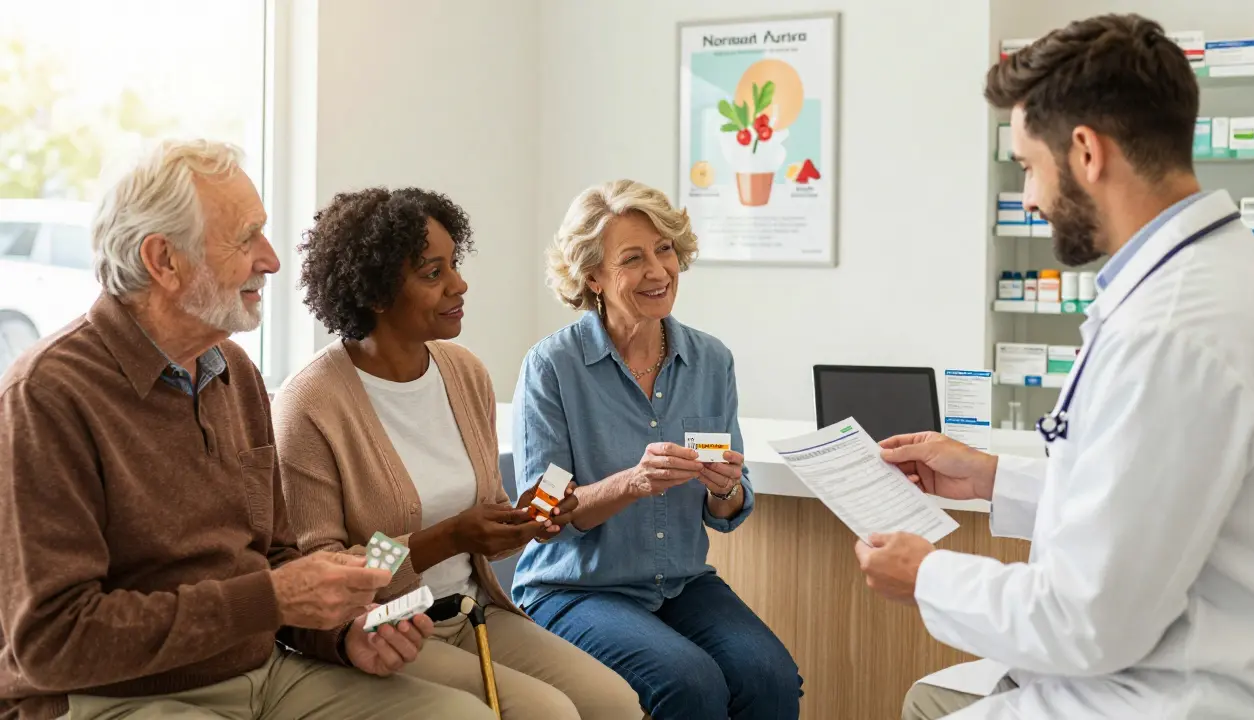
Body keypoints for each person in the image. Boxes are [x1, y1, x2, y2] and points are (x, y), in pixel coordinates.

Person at [852, 15, 1254, 720]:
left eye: (1027, 166)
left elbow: (1089, 620)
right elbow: (1145, 493)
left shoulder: (1170, 330)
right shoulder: (1221, 279)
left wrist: (926, 575)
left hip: (1173, 695)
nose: (1028, 198)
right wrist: (994, 477)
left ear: (1085, 152)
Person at [0, 142, 496, 719]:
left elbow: (281, 561)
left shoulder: (233, 370)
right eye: (246, 237)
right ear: (163, 260)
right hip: (119, 693)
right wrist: (276, 598)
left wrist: (342, 635)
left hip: (278, 665)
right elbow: (51, 642)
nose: (271, 259)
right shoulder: (47, 396)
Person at [273, 186, 644, 720]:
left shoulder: (463, 372)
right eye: (433, 273)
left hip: (476, 610)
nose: (459, 284)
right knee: (547, 712)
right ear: (376, 294)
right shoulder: (310, 405)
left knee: (618, 705)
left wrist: (525, 519)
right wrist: (442, 540)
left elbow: (483, 509)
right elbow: (324, 571)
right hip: (389, 629)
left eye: (455, 264)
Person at [511, 179, 802, 719]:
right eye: (633, 259)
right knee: (689, 685)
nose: (658, 271)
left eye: (665, 250)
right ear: (592, 275)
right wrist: (632, 482)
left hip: (680, 584)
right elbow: (542, 513)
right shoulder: (552, 367)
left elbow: (727, 511)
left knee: (772, 678)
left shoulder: (711, 361)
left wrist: (726, 490)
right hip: (577, 590)